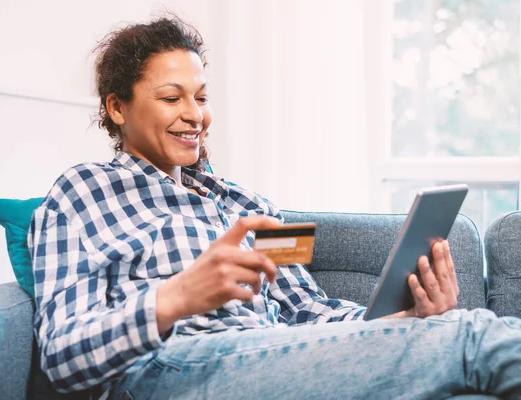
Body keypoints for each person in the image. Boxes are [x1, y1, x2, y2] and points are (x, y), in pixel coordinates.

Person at [28, 17, 521, 400]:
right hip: (164, 370)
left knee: (447, 327)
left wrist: (402, 321)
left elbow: (307, 312)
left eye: (201, 97)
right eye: (171, 97)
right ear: (117, 108)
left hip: (267, 360)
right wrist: (174, 298)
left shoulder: (245, 203)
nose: (195, 115)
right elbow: (62, 355)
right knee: (472, 336)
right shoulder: (82, 192)